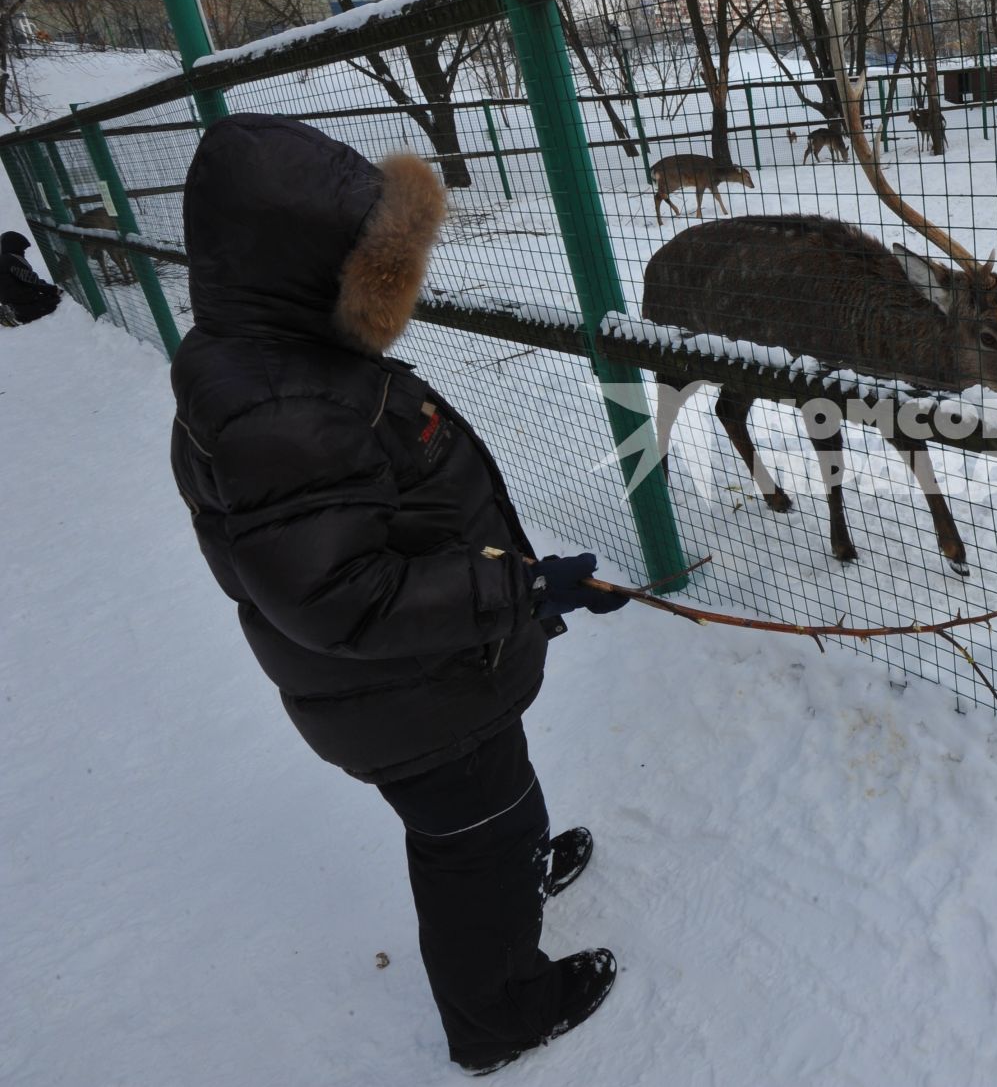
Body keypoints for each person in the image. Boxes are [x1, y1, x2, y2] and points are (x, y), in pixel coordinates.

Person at [169, 114, 628, 1075]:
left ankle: (518, 872)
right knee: (467, 836)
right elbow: (341, 599)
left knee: (498, 803)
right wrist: (513, 587)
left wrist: (513, 596)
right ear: (303, 269)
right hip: (411, 699)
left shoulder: (284, 362)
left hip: (438, 675)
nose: (401, 288)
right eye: (376, 266)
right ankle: (498, 1011)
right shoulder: (282, 411)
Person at [0, 230, 60, 326]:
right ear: (15, 246)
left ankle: (10, 310)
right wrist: (53, 290)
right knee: (53, 302)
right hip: (22, 299)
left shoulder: (3, 259)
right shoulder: (13, 259)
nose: (23, 252)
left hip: (10, 299)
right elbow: (32, 281)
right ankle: (15, 315)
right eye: (22, 249)